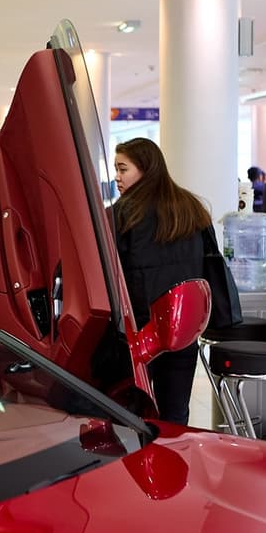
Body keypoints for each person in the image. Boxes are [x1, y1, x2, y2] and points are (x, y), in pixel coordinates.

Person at [112, 137, 211, 425]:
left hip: (140, 333)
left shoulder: (122, 215)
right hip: (183, 328)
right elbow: (208, 265)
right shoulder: (191, 208)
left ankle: (139, 468)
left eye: (123, 169)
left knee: (131, 414)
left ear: (145, 168)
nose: (116, 177)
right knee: (176, 413)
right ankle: (175, 466)